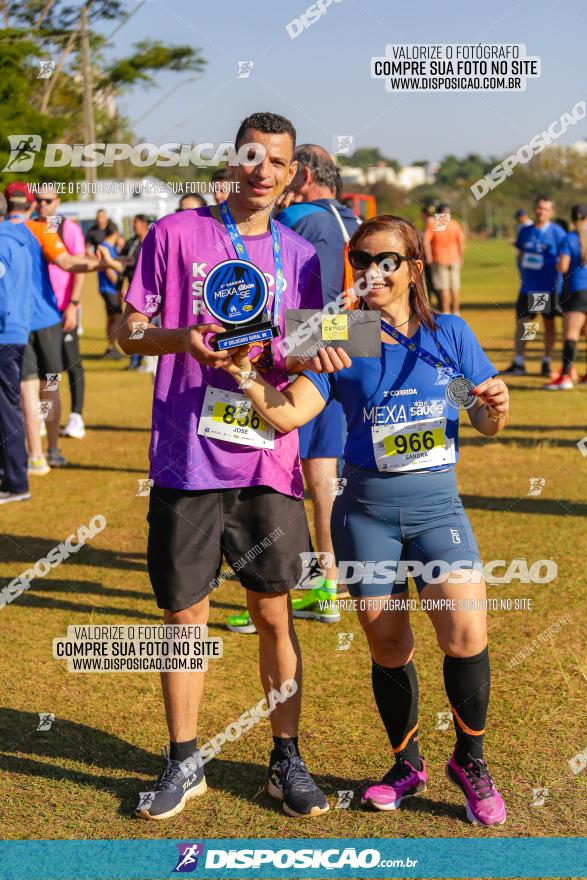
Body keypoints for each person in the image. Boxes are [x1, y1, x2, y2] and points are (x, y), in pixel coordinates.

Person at [221, 214, 510, 828]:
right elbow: (291, 413)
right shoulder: (338, 332)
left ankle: (471, 762)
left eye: (386, 260)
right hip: (366, 515)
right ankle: (406, 765)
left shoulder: (449, 335)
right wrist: (245, 375)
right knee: (388, 644)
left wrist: (494, 410)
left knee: (464, 632)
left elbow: (477, 415)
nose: (372, 271)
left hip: (438, 509)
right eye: (361, 260)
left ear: (413, 267)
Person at [118, 111, 330, 820]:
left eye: (277, 161)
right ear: (231, 160)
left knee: (273, 613)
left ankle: (285, 758)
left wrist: (322, 347)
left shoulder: (300, 255)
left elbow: (308, 347)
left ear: (294, 172)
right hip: (186, 460)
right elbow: (127, 330)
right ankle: (184, 761)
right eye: (250, 157)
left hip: (266, 459)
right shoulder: (175, 234)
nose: (262, 171)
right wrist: (184, 340)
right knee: (185, 616)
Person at [226, 144, 359, 633]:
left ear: (299, 174)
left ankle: (269, 587)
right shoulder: (350, 215)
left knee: (272, 474)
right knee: (326, 474)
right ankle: (328, 584)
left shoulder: (299, 217)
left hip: (300, 352)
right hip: (348, 343)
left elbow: (273, 285)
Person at [4, 183, 115, 473]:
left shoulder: (4, 232)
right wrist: (102, 265)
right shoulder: (41, 230)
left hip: (15, 323)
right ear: (30, 205)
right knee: (49, 386)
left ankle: (36, 456)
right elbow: (68, 262)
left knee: (27, 391)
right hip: (47, 322)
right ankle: (52, 450)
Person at [35, 182, 87, 439]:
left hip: (64, 308)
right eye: (39, 200)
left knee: (72, 362)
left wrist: (74, 305)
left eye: (47, 200)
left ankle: (76, 416)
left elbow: (79, 269)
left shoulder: (70, 229)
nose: (42, 205)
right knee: (45, 370)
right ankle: (46, 417)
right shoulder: (31, 226)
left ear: (57, 201)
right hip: (39, 312)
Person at [502, 195, 566, 377]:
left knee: (548, 324)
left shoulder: (557, 233)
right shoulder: (526, 231)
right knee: (525, 325)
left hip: (547, 288)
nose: (540, 211)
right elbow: (521, 254)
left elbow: (564, 258)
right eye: (538, 207)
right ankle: (519, 362)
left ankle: (546, 362)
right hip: (528, 287)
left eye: (545, 208)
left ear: (551, 212)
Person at [0, 193, 34, 504]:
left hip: (5, 334)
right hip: (17, 330)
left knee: (6, 410)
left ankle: (15, 481)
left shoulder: (3, 241)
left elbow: (3, 296)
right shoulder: (21, 240)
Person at [545, 204, 587, 389]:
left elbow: (563, 267)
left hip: (577, 291)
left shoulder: (569, 238)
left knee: (571, 335)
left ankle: (566, 377)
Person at [117, 214, 151, 371]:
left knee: (149, 326)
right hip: (133, 289)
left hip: (152, 290)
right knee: (134, 324)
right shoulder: (131, 243)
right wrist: (121, 285)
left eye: (136, 223)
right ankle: (135, 361)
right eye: (132, 223)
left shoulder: (152, 239)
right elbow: (122, 261)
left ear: (144, 224)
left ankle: (148, 361)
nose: (133, 226)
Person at [423, 204, 465, 314]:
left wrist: (429, 257)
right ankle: (456, 312)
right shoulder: (454, 224)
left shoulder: (433, 224)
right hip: (454, 259)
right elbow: (461, 241)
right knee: (455, 288)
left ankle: (446, 312)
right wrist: (461, 256)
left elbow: (426, 241)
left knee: (443, 289)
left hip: (439, 259)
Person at [98, 221, 124, 360]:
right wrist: (119, 285)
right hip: (109, 288)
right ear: (115, 233)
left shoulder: (107, 246)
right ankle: (111, 347)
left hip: (107, 288)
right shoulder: (105, 247)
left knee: (111, 318)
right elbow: (109, 270)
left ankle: (110, 347)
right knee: (118, 317)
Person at [421, 204, 440, 308]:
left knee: (432, 283)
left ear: (424, 214)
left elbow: (425, 242)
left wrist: (428, 257)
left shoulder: (429, 224)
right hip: (442, 257)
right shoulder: (439, 224)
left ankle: (431, 305)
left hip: (432, 259)